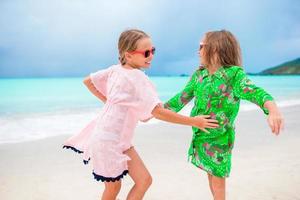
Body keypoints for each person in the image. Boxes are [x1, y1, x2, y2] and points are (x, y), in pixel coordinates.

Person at [63, 29, 219, 200]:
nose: (151, 55)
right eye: (146, 53)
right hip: (109, 141)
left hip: (117, 139)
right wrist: (194, 122)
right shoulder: (138, 78)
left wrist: (112, 102)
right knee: (114, 187)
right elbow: (158, 112)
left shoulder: (115, 70)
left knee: (144, 180)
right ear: (128, 56)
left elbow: (88, 81)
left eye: (153, 51)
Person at [164, 30, 284, 200]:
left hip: (221, 139)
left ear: (215, 48)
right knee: (210, 176)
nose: (197, 51)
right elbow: (180, 99)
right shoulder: (200, 75)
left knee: (219, 182)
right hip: (201, 137)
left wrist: (273, 109)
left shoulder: (233, 75)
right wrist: (155, 110)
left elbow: (256, 93)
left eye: (201, 46)